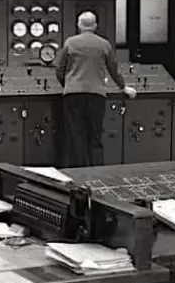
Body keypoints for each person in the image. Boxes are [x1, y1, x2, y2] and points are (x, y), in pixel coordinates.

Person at [55, 11, 137, 167]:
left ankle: (78, 174)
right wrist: (124, 87)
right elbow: (114, 69)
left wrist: (68, 84)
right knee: (95, 135)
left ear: (79, 24)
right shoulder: (104, 44)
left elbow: (59, 70)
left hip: (73, 95)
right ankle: (97, 172)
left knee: (76, 135)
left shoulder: (70, 43)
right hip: (96, 95)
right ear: (95, 26)